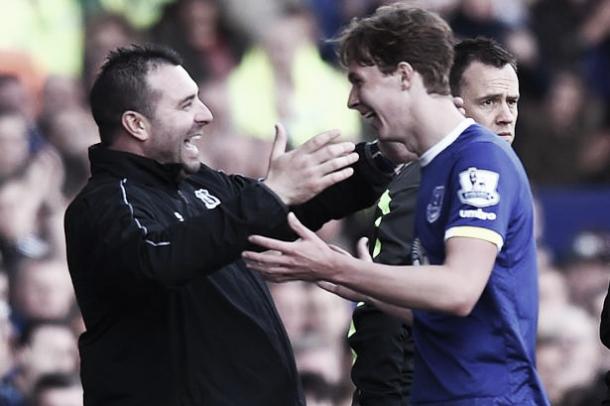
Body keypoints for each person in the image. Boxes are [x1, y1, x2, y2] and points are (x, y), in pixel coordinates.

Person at [243, 5, 550, 405]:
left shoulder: (480, 159)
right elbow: (458, 318)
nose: (352, 99)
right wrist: (355, 281)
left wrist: (338, 266)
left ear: (405, 76)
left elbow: (458, 290)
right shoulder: (435, 165)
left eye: (359, 81)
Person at [64, 44, 395, 406]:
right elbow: (159, 260)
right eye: (186, 104)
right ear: (136, 124)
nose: (205, 114)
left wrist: (380, 157)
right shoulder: (104, 204)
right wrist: (272, 194)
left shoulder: (203, 184)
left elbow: (284, 213)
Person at [348, 36, 521, 406]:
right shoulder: (426, 186)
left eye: (512, 102)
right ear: (455, 106)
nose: (506, 115)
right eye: (489, 102)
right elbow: (382, 306)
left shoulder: (489, 177)